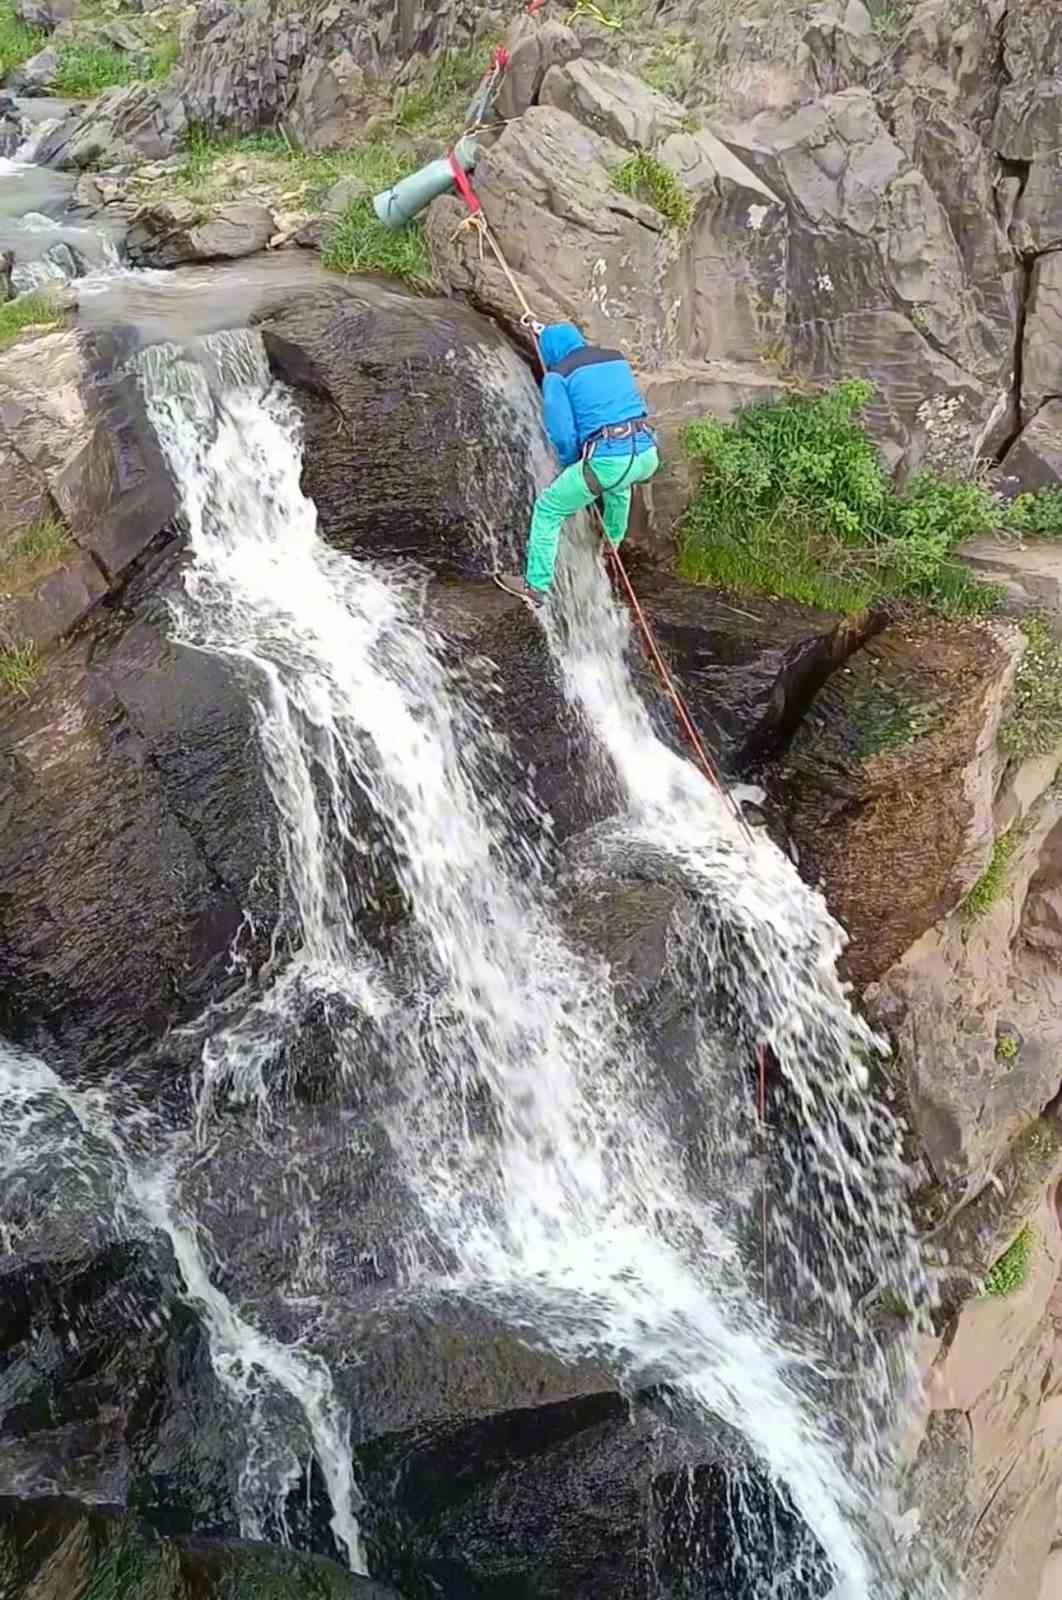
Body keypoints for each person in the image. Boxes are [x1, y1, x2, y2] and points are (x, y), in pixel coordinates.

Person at [496, 322, 659, 608]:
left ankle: (534, 586)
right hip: (646, 454)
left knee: (548, 509)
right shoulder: (614, 358)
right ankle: (611, 545)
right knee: (618, 487)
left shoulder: (558, 375)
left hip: (608, 461)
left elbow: (561, 432)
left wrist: (574, 465)